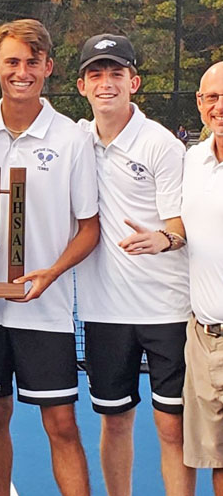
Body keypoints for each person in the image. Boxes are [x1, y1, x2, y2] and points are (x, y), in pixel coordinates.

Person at [0, 19, 99, 496]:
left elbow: (89, 229)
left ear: (48, 68)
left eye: (32, 62)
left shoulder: (73, 138)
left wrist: (52, 273)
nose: (22, 71)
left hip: (44, 309)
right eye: (12, 61)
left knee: (62, 424)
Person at [74, 34, 195, 496]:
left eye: (116, 74)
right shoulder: (75, 140)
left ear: (134, 82)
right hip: (104, 313)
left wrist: (162, 239)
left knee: (171, 428)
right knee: (115, 422)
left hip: (166, 310)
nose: (107, 83)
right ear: (82, 85)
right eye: (97, 74)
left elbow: (180, 223)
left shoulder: (162, 145)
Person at [123, 61, 223, 495]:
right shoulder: (193, 159)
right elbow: (181, 228)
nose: (219, 106)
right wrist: (165, 239)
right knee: (216, 458)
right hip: (204, 339)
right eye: (212, 97)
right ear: (200, 103)